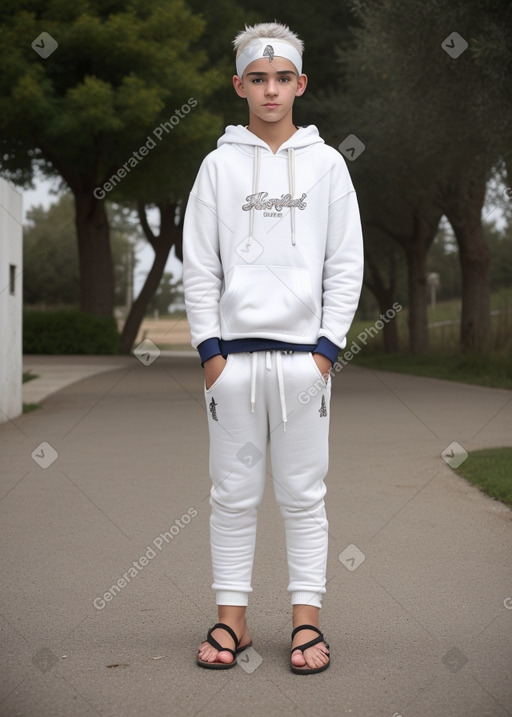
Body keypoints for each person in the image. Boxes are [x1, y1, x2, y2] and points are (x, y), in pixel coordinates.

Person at [182, 21, 364, 674]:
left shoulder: (327, 165)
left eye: (282, 78)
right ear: (239, 85)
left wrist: (324, 352)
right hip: (234, 362)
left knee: (303, 494)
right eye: (257, 78)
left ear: (300, 84)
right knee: (231, 493)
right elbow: (199, 266)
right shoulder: (218, 166)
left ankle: (304, 622)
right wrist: (211, 355)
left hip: (302, 364)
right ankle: (232, 621)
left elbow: (345, 264)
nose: (270, 90)